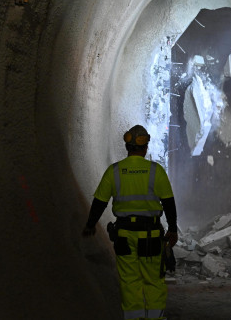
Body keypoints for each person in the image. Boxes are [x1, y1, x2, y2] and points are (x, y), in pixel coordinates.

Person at [82, 125, 178, 320]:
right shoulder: (155, 171)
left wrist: (91, 224)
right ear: (145, 147)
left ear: (127, 147)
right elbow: (168, 202)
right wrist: (173, 229)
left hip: (124, 236)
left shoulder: (114, 172)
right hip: (151, 236)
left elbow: (100, 201)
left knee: (129, 282)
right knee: (153, 281)